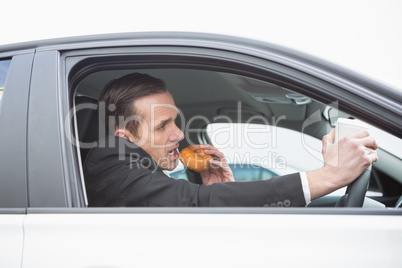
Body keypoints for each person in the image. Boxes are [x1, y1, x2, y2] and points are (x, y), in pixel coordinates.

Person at [83, 73, 378, 207]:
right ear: (126, 137)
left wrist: (221, 193)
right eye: (163, 126)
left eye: (175, 120)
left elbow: (186, 203)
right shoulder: (108, 159)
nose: (180, 134)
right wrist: (328, 177)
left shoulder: (137, 173)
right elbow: (191, 202)